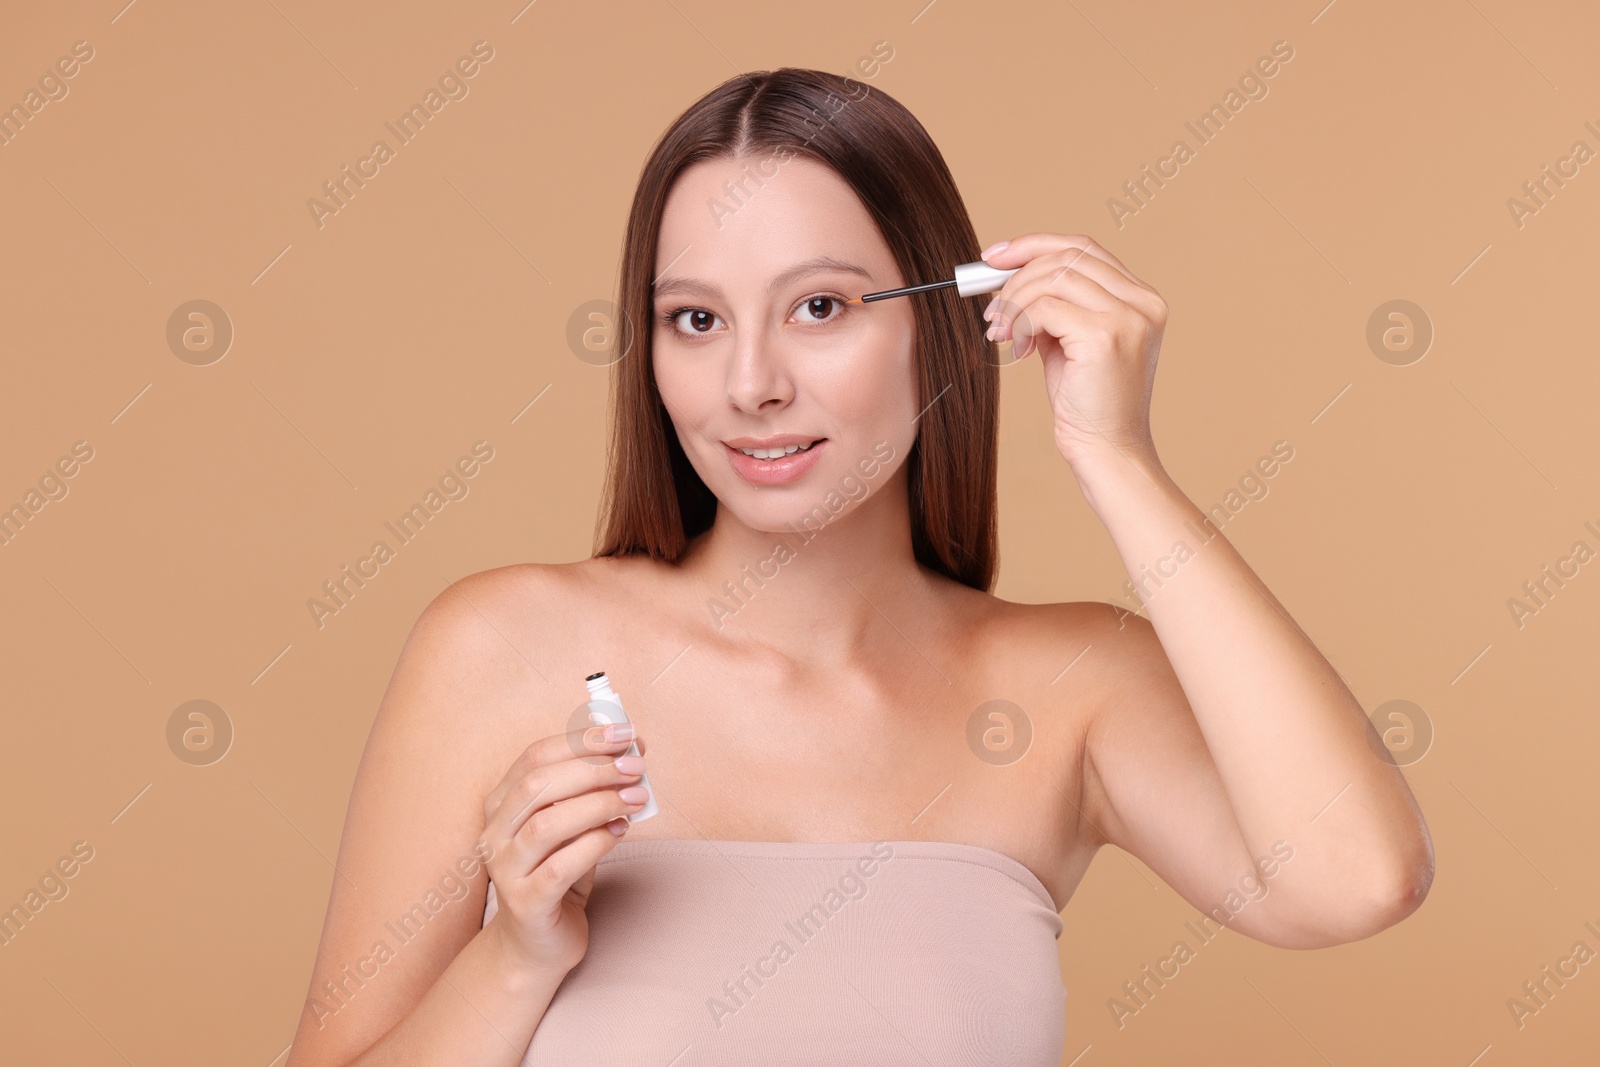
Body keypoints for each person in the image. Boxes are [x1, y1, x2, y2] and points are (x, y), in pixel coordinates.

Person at [286, 67, 1433, 1067]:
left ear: (943, 324)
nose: (750, 383)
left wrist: (1114, 455)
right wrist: (513, 955)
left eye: (820, 307)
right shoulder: (506, 646)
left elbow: (1354, 876)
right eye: (693, 320)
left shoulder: (1073, 685)